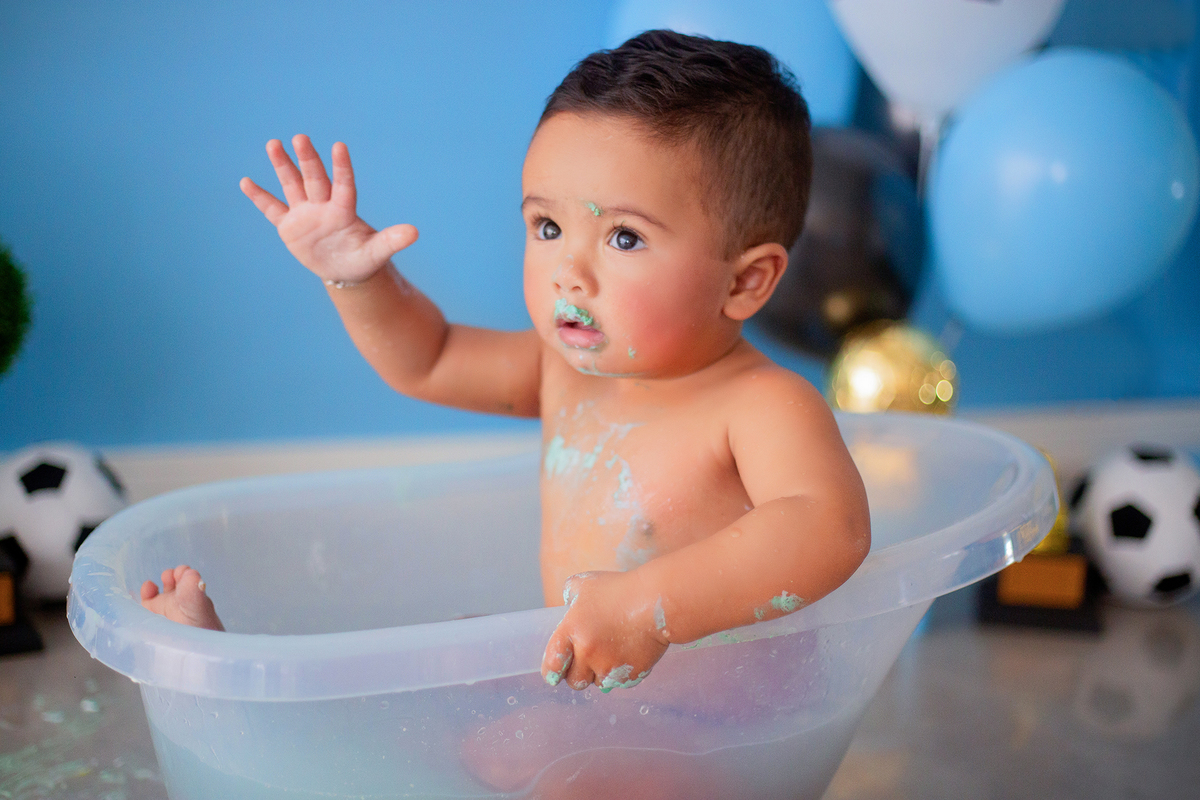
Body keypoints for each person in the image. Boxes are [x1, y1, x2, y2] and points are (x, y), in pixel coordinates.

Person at [142, 29, 869, 700]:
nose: (568, 273)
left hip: (715, 727)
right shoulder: (563, 370)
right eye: (547, 226)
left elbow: (826, 528)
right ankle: (245, 688)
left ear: (745, 281)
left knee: (498, 749)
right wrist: (355, 278)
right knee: (447, 665)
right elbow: (428, 359)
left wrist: (650, 605)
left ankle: (261, 717)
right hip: (596, 698)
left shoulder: (761, 405)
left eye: (623, 238)